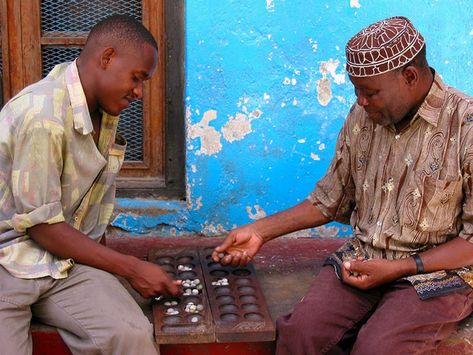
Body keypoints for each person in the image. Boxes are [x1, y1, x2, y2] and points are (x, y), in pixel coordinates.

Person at [213, 16, 473, 354]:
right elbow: (331, 198)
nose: (361, 101)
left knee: (376, 349)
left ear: (410, 76)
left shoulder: (465, 127)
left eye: (370, 92)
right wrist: (260, 231)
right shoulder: (364, 116)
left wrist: (400, 268)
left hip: (438, 276)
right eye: (356, 90)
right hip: (363, 261)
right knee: (299, 335)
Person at [0, 14, 180, 355]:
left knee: (131, 336)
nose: (140, 92)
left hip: (62, 262)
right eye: (137, 78)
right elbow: (41, 227)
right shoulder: (44, 116)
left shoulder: (103, 112)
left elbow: (86, 211)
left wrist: (109, 274)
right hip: (8, 262)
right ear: (108, 58)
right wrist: (130, 268)